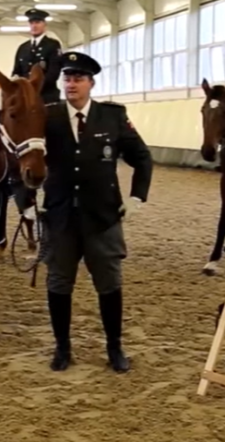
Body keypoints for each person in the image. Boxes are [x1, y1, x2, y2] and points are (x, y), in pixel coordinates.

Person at [41, 51, 153, 374]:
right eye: (67, 78)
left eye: (78, 78)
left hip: (102, 217)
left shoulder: (112, 117)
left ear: (91, 83)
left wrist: (136, 197)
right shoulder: (47, 116)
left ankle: (115, 347)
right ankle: (62, 347)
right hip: (60, 216)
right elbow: (23, 154)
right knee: (59, 283)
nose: (70, 84)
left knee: (109, 283)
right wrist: (25, 201)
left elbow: (142, 158)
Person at [10, 8, 64, 222]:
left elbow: (53, 74)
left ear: (44, 25)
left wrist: (32, 91)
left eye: (38, 22)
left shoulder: (52, 46)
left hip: (46, 97)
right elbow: (15, 72)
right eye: (32, 23)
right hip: (25, 99)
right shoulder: (22, 48)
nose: (34, 26)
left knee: (55, 130)